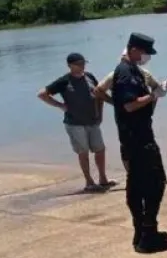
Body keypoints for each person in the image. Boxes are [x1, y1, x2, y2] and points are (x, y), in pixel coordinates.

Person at [111, 33, 167, 253]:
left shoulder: (132, 70)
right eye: (145, 52)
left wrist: (155, 95)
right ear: (134, 49)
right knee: (155, 182)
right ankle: (147, 231)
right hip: (137, 139)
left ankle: (144, 232)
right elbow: (129, 105)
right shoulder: (125, 73)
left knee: (138, 184)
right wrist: (154, 95)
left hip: (137, 136)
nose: (147, 57)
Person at [37, 53, 113, 192]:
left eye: (83, 63)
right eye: (79, 63)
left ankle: (103, 179)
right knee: (83, 152)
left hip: (92, 120)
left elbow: (99, 94)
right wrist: (60, 105)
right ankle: (89, 182)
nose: (82, 66)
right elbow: (42, 94)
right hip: (74, 123)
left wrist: (100, 114)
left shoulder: (90, 77)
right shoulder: (64, 81)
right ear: (70, 65)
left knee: (100, 149)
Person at [95, 48, 167, 173]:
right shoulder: (115, 74)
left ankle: (149, 173)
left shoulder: (145, 73)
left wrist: (159, 94)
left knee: (147, 145)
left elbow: (156, 89)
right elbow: (98, 90)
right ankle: (131, 175)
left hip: (143, 116)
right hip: (126, 118)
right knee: (128, 148)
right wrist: (115, 103)